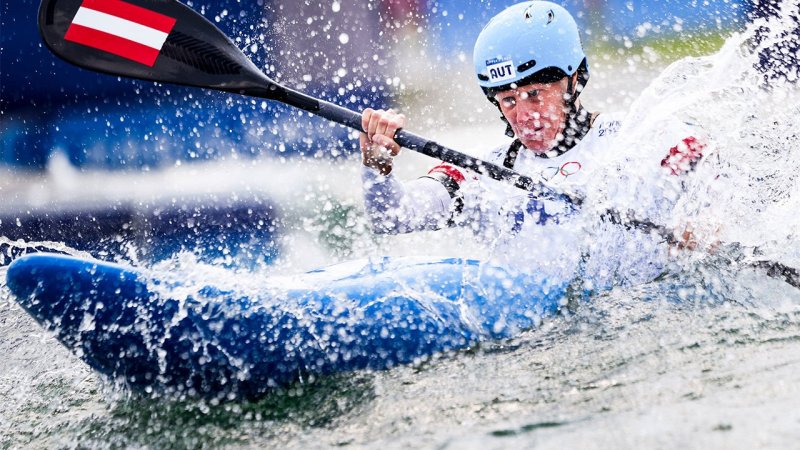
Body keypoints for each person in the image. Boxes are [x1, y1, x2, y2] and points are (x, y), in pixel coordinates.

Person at [358, 1, 706, 289]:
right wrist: (377, 166)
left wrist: (705, 225)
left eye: (534, 95)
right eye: (508, 101)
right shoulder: (485, 176)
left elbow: (717, 171)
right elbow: (393, 218)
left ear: (574, 80)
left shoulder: (638, 138)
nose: (524, 115)